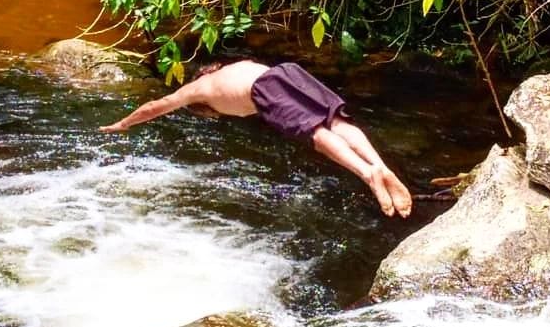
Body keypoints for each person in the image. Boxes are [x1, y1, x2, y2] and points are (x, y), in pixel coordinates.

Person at [99, 59, 413, 218]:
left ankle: (368, 174)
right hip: (287, 72)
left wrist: (124, 123)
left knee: (315, 134)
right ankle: (379, 165)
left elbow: (156, 106)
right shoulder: (238, 65)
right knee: (337, 122)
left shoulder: (197, 90)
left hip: (264, 90)